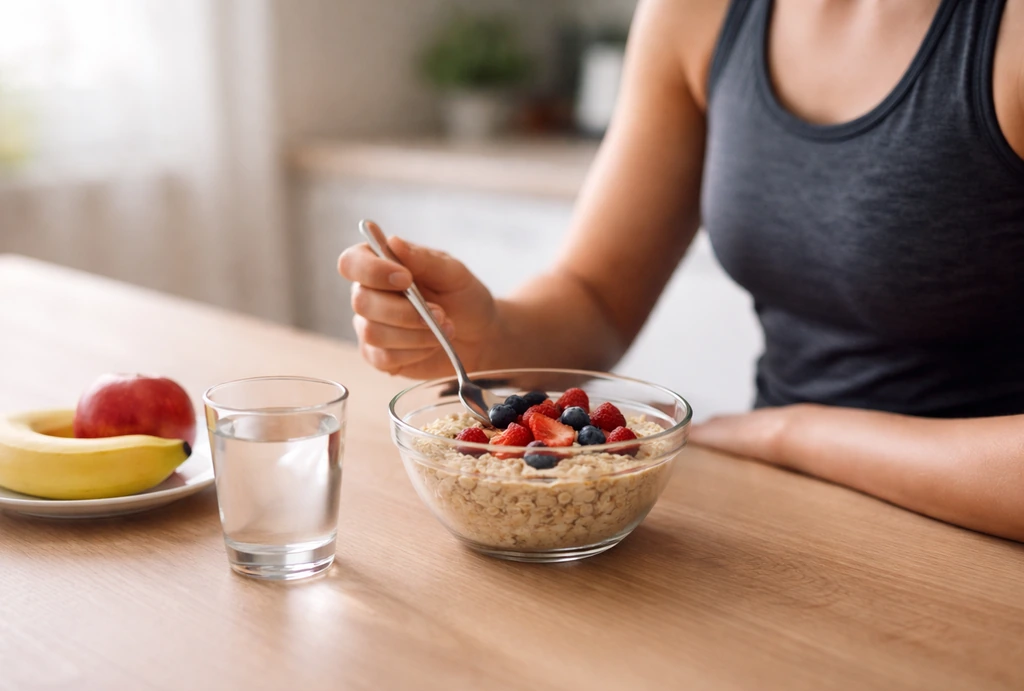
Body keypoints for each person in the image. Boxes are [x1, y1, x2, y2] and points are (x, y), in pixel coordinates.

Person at [338, 0, 1024, 542]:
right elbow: (597, 297)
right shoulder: (698, 11)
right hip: (781, 515)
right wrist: (485, 335)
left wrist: (795, 433)